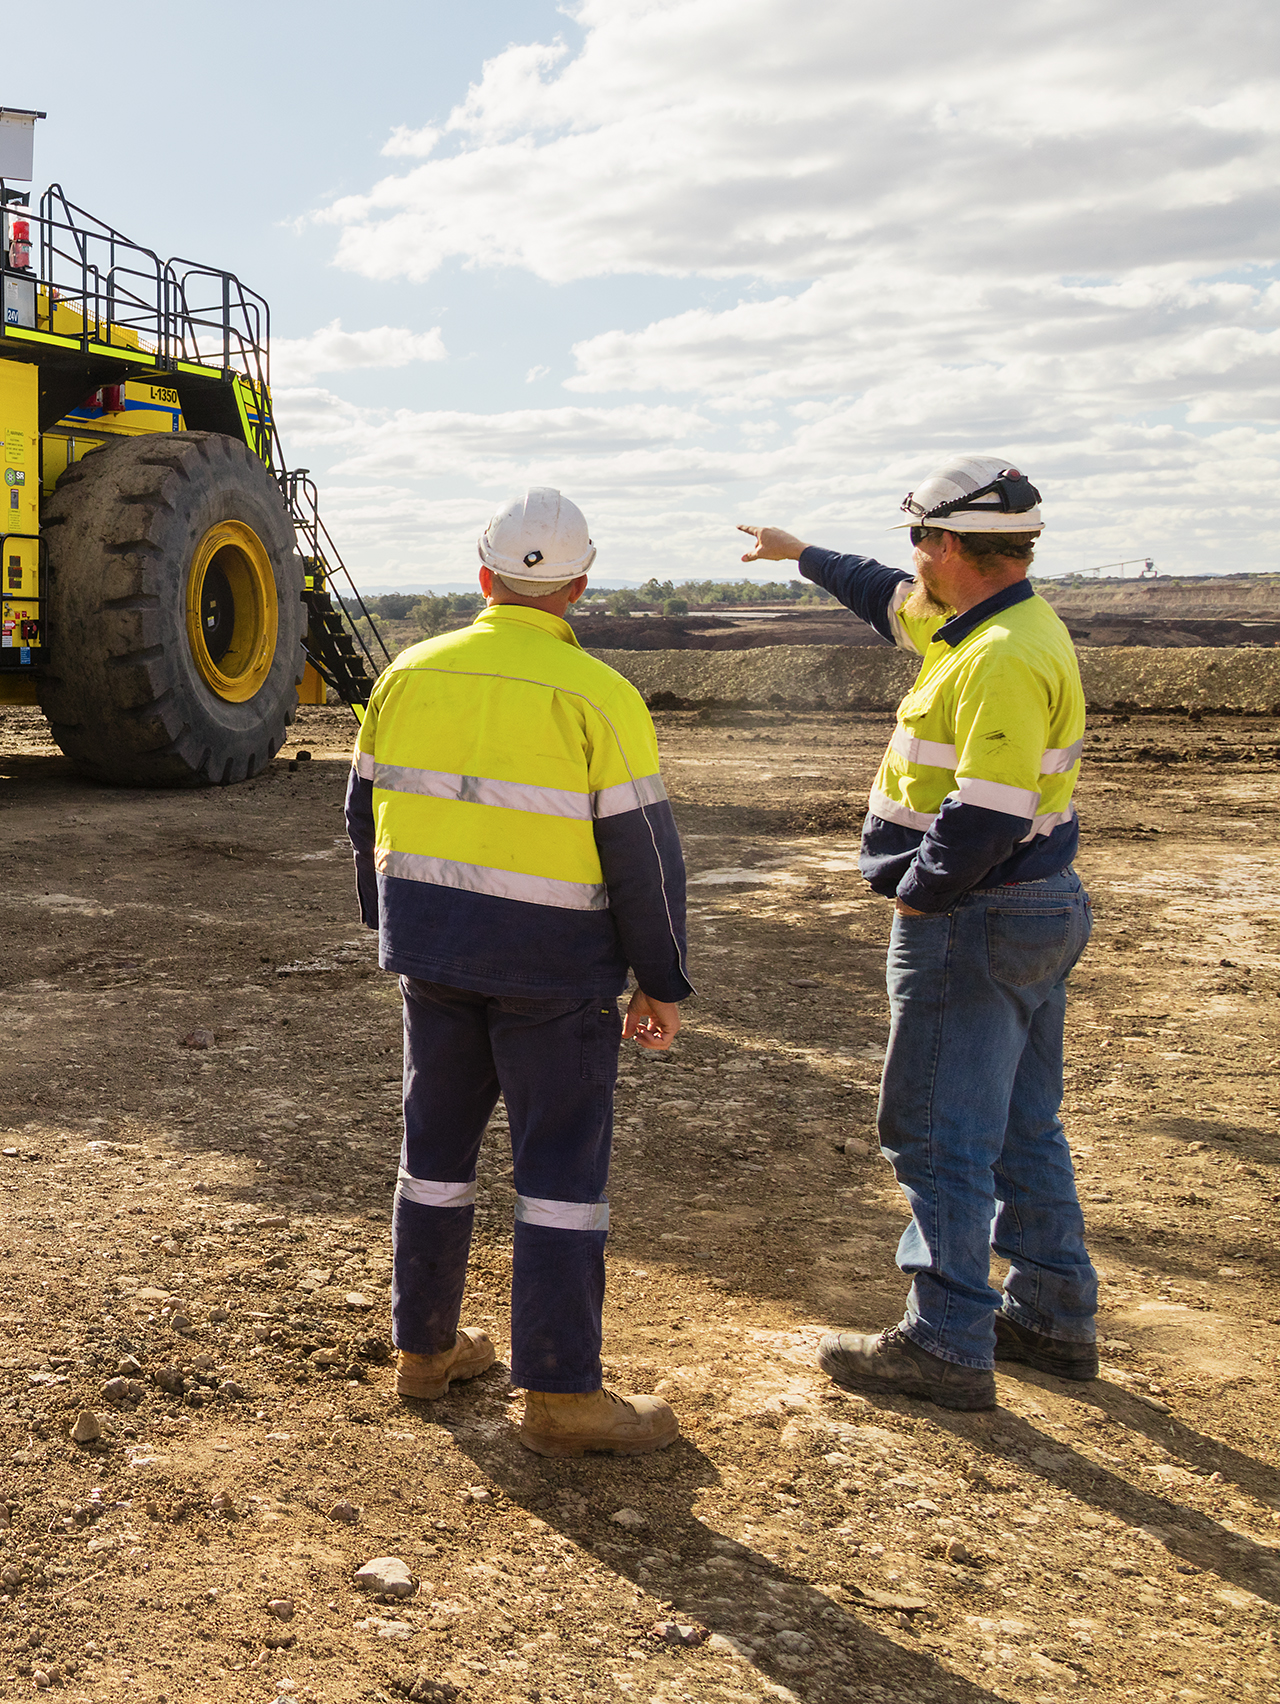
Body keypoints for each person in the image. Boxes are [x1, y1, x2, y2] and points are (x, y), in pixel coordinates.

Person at [737, 460, 1095, 1410]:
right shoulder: (992, 624)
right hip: (1028, 910)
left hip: (978, 915)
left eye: (917, 542)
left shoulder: (1001, 656)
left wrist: (920, 897)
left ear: (945, 547)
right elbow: (882, 598)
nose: (910, 564)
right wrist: (799, 552)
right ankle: (1053, 1315)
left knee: (936, 1128)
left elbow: (985, 810)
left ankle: (945, 1339)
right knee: (1020, 1122)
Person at [347, 487, 692, 1457]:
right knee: (559, 1177)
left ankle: (424, 1348)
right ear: (580, 584)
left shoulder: (407, 673)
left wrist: (400, 929)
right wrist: (658, 978)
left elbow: (362, 813)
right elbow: (644, 858)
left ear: (482, 573)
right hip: (555, 972)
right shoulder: (602, 697)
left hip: (436, 956)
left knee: (436, 1157)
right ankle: (561, 1394)